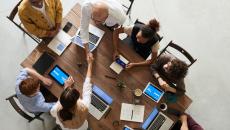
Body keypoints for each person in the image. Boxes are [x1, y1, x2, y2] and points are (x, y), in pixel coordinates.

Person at [50, 53, 94, 130]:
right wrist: (90, 64)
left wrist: (66, 88)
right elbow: (87, 87)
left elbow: (61, 102)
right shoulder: (84, 107)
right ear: (76, 101)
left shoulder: (55, 110)